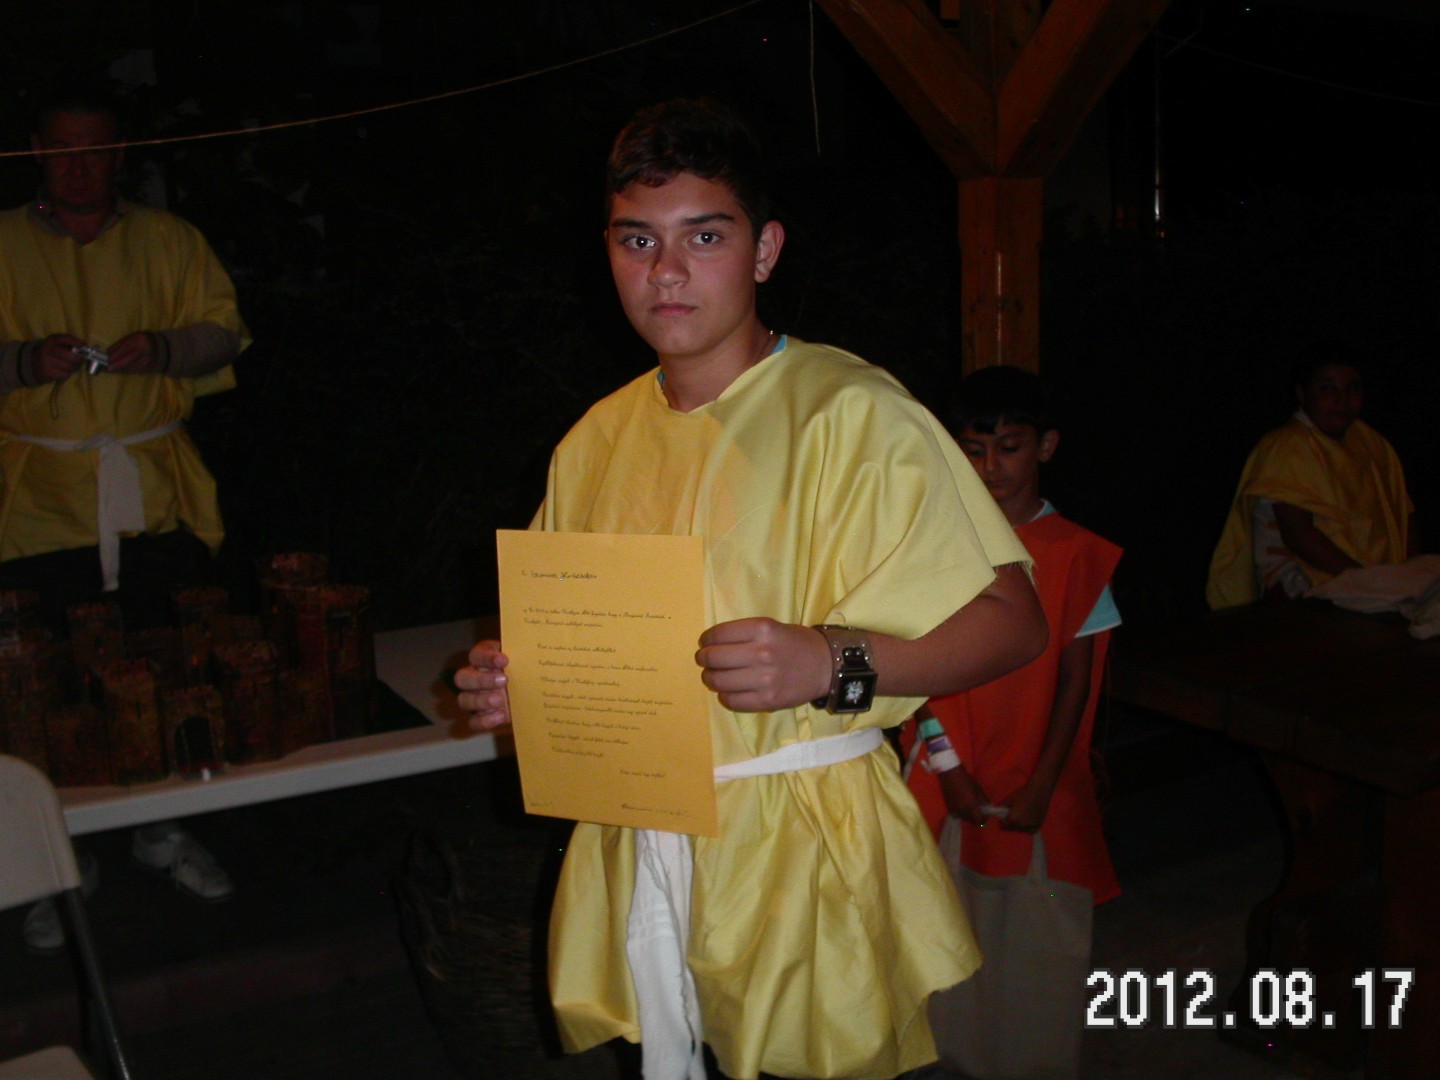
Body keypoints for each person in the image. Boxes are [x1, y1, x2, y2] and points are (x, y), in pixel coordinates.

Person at [455, 99, 1047, 1080]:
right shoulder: (594, 441)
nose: (666, 271)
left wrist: (831, 661)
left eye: (705, 237)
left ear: (764, 250)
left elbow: (1014, 622)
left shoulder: (852, 413)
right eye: (637, 240)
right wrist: (528, 690)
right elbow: (583, 650)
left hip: (804, 853)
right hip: (642, 844)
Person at [0, 86, 249, 949]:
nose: (80, 166)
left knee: (168, 666)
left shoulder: (169, 240)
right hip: (34, 506)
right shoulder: (1, 243)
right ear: (37, 151)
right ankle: (58, 858)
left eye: (96, 149)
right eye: (63, 149)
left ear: (119, 154)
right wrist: (24, 361)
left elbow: (224, 332)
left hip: (152, 496)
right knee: (46, 689)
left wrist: (166, 348)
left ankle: (162, 829)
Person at [902, 366, 1122, 907]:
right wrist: (948, 765)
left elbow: (1076, 681)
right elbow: (910, 664)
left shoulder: (1075, 553)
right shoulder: (933, 543)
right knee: (934, 904)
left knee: (1031, 912)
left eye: (1009, 447)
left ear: (1045, 446)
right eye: (974, 450)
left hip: (1037, 765)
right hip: (944, 759)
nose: (990, 466)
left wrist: (1044, 782)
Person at [1206, 343, 1417, 609]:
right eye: (1328, 389)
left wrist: (1409, 574)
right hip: (1306, 586)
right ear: (1302, 393)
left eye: (1352, 389)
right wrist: (1369, 583)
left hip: (1373, 580)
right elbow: (1299, 536)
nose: (1342, 400)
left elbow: (1403, 515)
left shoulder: (1372, 445)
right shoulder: (1286, 445)